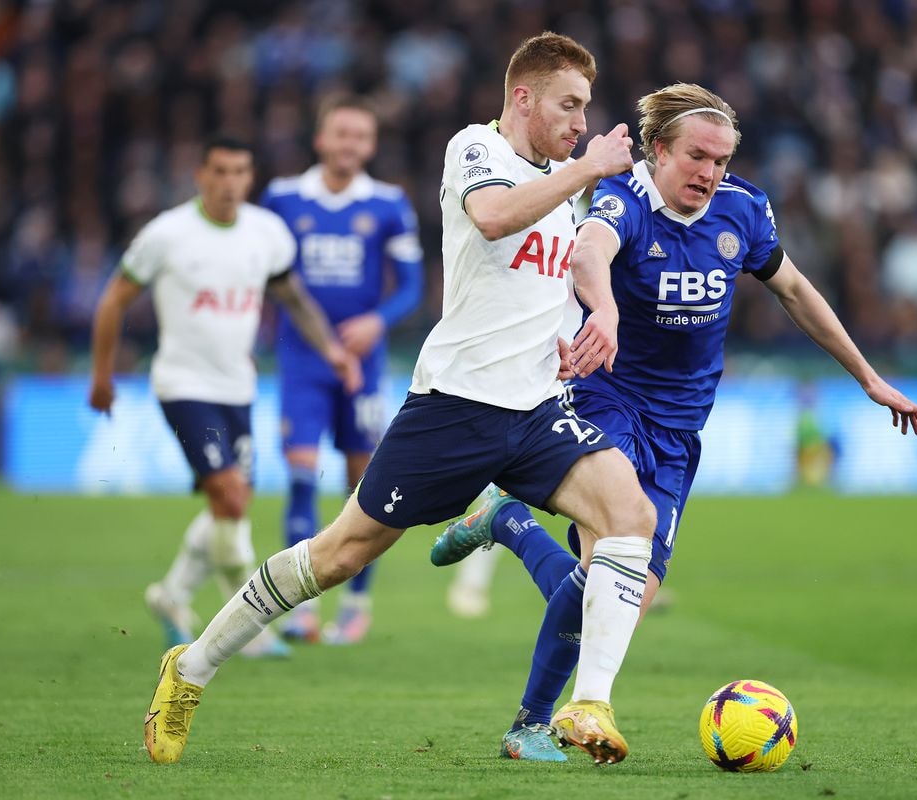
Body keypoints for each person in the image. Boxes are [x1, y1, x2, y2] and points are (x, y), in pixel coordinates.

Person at [143, 32, 657, 767]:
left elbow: (572, 258)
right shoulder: (475, 150)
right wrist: (586, 168)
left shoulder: (562, 179)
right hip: (456, 406)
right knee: (338, 556)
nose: (581, 122)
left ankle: (589, 703)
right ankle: (189, 669)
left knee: (628, 516)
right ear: (523, 97)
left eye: (584, 109)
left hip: (542, 408)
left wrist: (598, 312)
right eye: (568, 105)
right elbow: (495, 218)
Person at [429, 82, 917, 761]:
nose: (709, 172)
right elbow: (587, 253)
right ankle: (540, 721)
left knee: (617, 594)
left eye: (720, 160)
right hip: (606, 399)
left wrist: (868, 377)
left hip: (680, 428)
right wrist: (602, 311)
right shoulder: (624, 199)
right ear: (659, 149)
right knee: (608, 555)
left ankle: (506, 523)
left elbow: (795, 291)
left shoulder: (743, 210)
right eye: (697, 156)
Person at [90, 134, 361, 660]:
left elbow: (293, 298)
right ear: (201, 176)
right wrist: (101, 376)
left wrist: (331, 349)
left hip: (238, 388)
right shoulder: (167, 235)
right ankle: (249, 625)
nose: (230, 182)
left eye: (240, 171)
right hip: (183, 386)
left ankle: (171, 596)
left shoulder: (266, 234)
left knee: (227, 504)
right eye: (220, 171)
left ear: (250, 177)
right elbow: (113, 300)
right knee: (232, 497)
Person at [261, 95, 425, 645]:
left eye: (360, 136)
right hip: (302, 360)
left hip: (363, 363)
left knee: (365, 487)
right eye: (341, 134)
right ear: (320, 139)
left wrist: (377, 322)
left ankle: (356, 603)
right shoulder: (282, 199)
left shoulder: (388, 204)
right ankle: (302, 608)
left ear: (371, 145)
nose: (350, 144)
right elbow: (265, 275)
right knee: (302, 477)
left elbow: (411, 288)